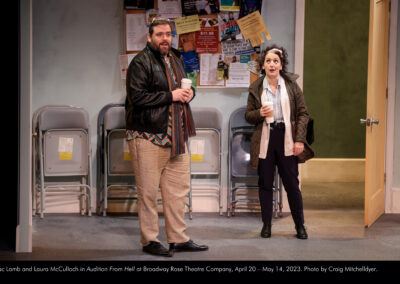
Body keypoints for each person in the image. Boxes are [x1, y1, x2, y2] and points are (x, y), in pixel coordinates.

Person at [125, 18, 208, 257]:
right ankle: (150, 240)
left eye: (168, 34)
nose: (165, 38)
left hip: (176, 134)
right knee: (148, 193)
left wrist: (190, 93)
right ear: (149, 37)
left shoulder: (177, 58)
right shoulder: (140, 62)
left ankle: (178, 239)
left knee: (178, 191)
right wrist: (171, 95)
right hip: (147, 136)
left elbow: (188, 88)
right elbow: (137, 98)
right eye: (160, 34)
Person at [245, 45, 314, 240]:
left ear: (281, 65)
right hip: (266, 139)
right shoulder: (256, 87)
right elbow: (248, 115)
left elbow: (303, 114)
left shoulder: (291, 86)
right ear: (263, 65)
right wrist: (259, 113)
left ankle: (300, 226)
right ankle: (266, 225)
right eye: (268, 61)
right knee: (265, 184)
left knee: (292, 185)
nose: (272, 64)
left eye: (276, 61)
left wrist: (300, 139)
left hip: (288, 138)